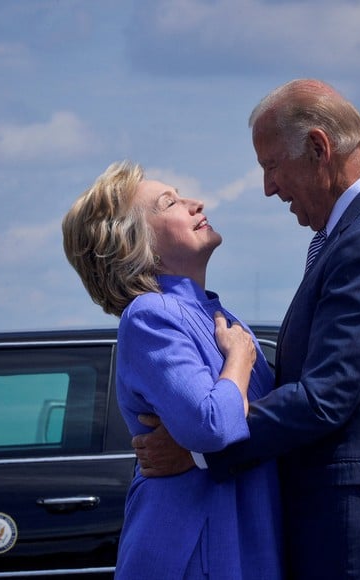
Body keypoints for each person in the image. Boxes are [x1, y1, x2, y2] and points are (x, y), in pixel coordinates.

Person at [132, 79, 360, 579]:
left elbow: (325, 397)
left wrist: (200, 449)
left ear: (319, 148)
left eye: (272, 165)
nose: (268, 187)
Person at [61, 160, 283, 579]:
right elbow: (211, 425)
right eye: (171, 202)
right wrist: (238, 359)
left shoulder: (212, 312)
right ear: (134, 245)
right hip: (195, 551)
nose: (195, 204)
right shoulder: (151, 315)